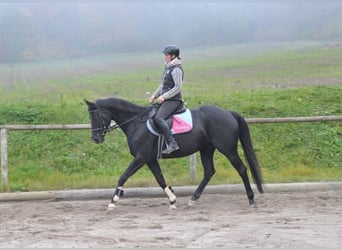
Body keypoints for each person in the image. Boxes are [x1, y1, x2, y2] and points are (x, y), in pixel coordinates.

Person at [149, 45, 184, 154]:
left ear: (173, 56)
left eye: (167, 55)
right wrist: (154, 95)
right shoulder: (168, 68)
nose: (165, 57)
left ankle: (172, 143)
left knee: (159, 118)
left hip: (174, 100)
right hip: (167, 99)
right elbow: (163, 85)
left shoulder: (176, 69)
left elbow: (178, 87)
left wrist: (164, 96)